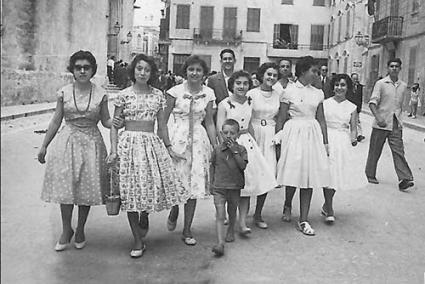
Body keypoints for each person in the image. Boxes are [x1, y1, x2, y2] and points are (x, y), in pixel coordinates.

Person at [106, 54, 190, 258]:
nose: (142, 73)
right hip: (128, 146)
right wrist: (114, 150)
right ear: (133, 71)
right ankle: (137, 240)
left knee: (148, 187)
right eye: (139, 69)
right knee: (130, 192)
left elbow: (161, 126)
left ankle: (145, 213)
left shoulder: (158, 95)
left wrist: (169, 147)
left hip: (150, 144)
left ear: (151, 74)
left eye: (147, 70)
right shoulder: (123, 95)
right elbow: (115, 126)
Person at [38, 50, 122, 251]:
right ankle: (67, 229)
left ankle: (81, 228)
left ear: (93, 70)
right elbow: (56, 121)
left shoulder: (101, 93)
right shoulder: (64, 92)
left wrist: (117, 122)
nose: (82, 71)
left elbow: (105, 120)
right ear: (73, 70)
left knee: (87, 187)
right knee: (66, 186)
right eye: (78, 67)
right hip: (68, 142)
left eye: (86, 67)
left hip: (92, 143)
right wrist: (43, 146)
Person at [164, 55, 217, 246]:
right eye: (191, 69)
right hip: (178, 136)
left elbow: (209, 121)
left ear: (204, 73)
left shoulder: (209, 93)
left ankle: (187, 229)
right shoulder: (174, 92)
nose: (194, 73)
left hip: (199, 139)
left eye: (198, 70)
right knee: (177, 179)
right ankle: (174, 209)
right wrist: (167, 143)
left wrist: (215, 146)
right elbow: (163, 119)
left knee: (194, 184)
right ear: (185, 71)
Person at [274, 56, 330, 236]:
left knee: (309, 177)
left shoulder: (318, 93)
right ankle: (288, 203)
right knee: (294, 173)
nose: (316, 74)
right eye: (314, 71)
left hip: (312, 134)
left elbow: (321, 119)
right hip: (294, 133)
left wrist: (325, 142)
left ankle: (303, 219)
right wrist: (278, 141)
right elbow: (281, 119)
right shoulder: (288, 91)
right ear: (303, 71)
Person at [216, 70, 277, 234]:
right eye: (238, 83)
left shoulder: (250, 102)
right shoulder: (224, 104)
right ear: (232, 85)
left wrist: (254, 144)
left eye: (245, 83)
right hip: (231, 144)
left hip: (247, 144)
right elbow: (220, 129)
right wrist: (227, 148)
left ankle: (243, 222)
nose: (241, 87)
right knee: (231, 185)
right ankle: (230, 218)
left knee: (247, 185)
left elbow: (249, 124)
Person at [322, 74, 368, 223]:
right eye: (336, 85)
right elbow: (320, 123)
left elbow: (353, 127)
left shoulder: (352, 107)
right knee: (327, 174)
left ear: (347, 88)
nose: (339, 88)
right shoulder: (325, 103)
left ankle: (326, 205)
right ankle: (329, 208)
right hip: (327, 139)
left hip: (341, 141)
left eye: (342, 85)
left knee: (336, 175)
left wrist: (353, 138)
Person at [365, 58, 414, 192]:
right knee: (375, 151)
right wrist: (379, 118)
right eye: (391, 66)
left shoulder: (403, 86)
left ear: (400, 68)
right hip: (381, 123)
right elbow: (372, 103)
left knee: (399, 151)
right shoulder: (380, 84)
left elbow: (399, 106)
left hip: (396, 123)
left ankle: (405, 179)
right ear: (387, 68)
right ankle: (370, 174)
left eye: (397, 66)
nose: (394, 68)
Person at [244, 62, 281, 229]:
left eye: (274, 75)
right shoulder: (251, 93)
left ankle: (258, 214)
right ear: (261, 75)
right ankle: (240, 215)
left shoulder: (279, 94)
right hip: (253, 132)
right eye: (268, 74)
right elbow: (245, 115)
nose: (271, 78)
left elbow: (281, 116)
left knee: (266, 173)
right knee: (249, 173)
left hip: (270, 134)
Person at [210, 119, 248, 257]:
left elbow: (242, 166)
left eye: (232, 133)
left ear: (237, 135)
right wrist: (211, 183)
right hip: (219, 187)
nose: (228, 136)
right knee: (220, 214)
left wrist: (235, 151)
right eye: (225, 132)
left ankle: (231, 228)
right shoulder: (217, 150)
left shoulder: (242, 149)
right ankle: (220, 243)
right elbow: (212, 166)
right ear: (221, 133)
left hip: (234, 186)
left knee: (232, 211)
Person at [347, 73, 365, 142]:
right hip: (349, 106)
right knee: (349, 121)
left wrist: (359, 107)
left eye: (356, 79)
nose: (355, 80)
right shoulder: (348, 87)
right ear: (351, 79)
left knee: (357, 121)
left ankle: (359, 135)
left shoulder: (360, 87)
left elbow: (360, 97)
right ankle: (351, 134)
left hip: (356, 106)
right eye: (354, 79)